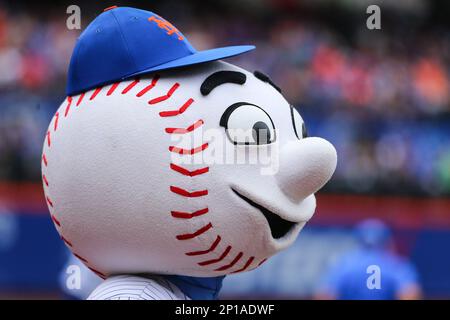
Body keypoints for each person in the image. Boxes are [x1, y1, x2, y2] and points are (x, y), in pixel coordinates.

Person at [316, 219, 422, 300]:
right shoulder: (396, 264)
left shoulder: (344, 263)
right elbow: (410, 294)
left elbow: (325, 295)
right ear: (386, 240)